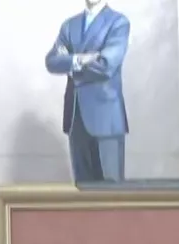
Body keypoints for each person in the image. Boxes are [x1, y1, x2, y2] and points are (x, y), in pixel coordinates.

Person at [45, 0, 130, 182]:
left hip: (106, 121)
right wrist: (79, 60)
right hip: (76, 119)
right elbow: (51, 61)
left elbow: (106, 66)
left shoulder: (118, 22)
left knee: (111, 195)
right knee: (82, 197)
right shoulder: (69, 26)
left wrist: (68, 63)